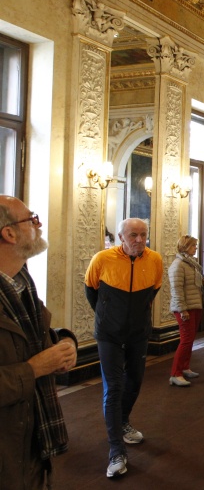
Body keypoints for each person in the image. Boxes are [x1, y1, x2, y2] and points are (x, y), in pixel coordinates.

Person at [0, 196, 78, 488]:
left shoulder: (21, 282)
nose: (39, 224)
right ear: (9, 234)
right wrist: (33, 370)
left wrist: (64, 343)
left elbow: (29, 338)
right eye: (31, 219)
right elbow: (28, 360)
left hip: (30, 438)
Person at [85, 217, 163, 478]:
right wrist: (109, 317)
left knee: (136, 381)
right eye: (133, 235)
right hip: (108, 334)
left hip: (138, 334)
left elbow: (152, 292)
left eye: (143, 235)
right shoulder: (102, 260)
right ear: (121, 237)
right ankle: (116, 451)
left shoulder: (155, 260)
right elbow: (91, 292)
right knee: (114, 387)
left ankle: (123, 421)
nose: (139, 240)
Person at [167, 235, 204, 387]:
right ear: (185, 246)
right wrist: (182, 309)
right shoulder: (178, 265)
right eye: (193, 245)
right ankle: (175, 373)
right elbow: (177, 290)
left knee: (190, 340)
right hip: (185, 309)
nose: (196, 248)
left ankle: (185, 367)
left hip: (194, 306)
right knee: (186, 340)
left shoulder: (191, 264)